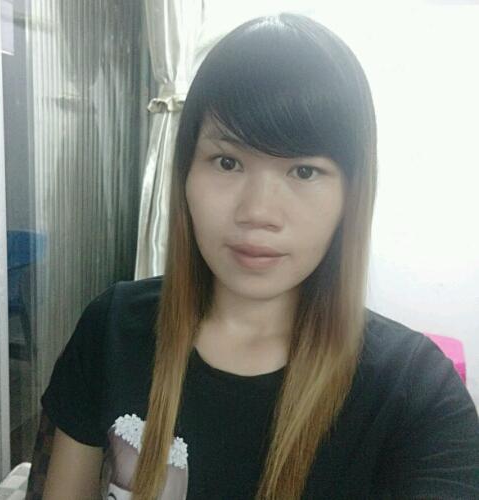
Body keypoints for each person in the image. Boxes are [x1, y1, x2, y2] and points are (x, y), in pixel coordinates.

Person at [40, 12, 479, 500]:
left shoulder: (418, 395)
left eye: (304, 171)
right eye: (227, 162)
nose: (258, 213)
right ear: (185, 173)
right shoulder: (112, 327)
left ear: (351, 195)